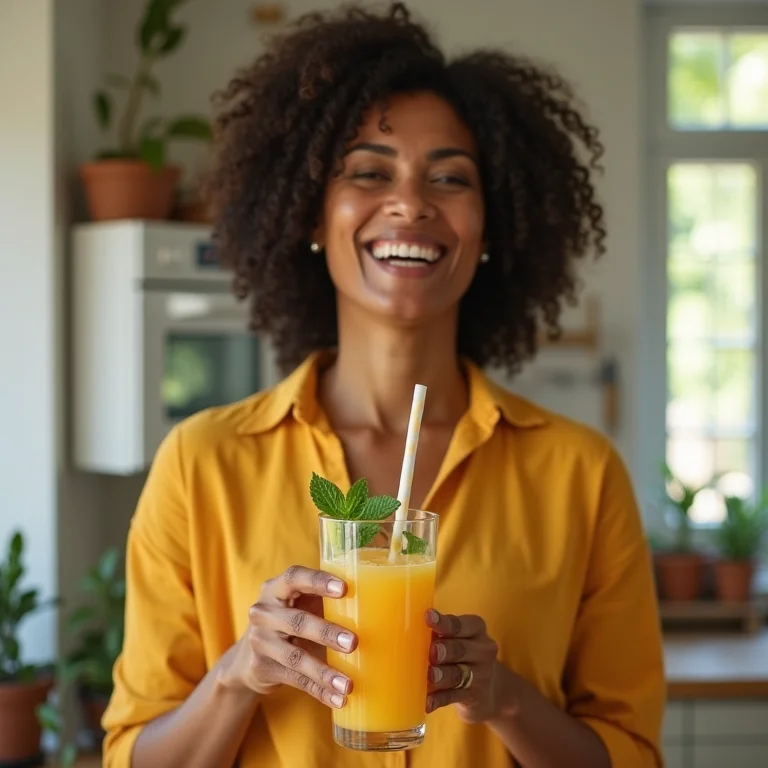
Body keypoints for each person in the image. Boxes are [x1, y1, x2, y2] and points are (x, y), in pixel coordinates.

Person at [101, 3, 665, 767]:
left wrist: (503, 697)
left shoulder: (581, 475)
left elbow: (630, 755)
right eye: (369, 172)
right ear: (310, 212)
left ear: (492, 230)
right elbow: (134, 755)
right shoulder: (202, 464)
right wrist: (237, 677)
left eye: (450, 178)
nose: (410, 203)